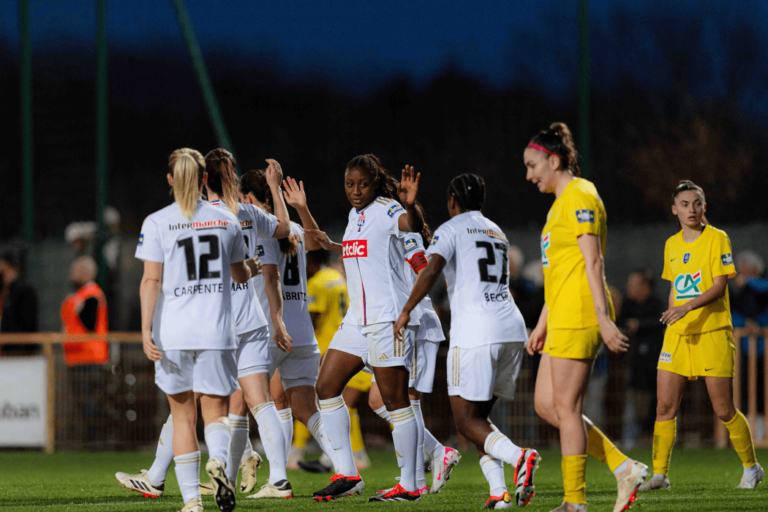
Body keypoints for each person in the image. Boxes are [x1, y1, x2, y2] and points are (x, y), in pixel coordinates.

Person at [523, 123, 647, 512]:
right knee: (547, 405)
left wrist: (604, 318)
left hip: (580, 314)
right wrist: (542, 323)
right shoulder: (557, 205)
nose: (529, 175)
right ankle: (623, 466)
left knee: (567, 409)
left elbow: (593, 262)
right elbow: (559, 273)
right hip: (559, 316)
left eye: (532, 166)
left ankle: (574, 502)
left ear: (554, 160)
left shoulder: (581, 193)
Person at [394, 173, 537, 509]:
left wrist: (406, 310)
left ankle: (521, 458)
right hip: (511, 328)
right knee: (479, 422)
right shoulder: (496, 230)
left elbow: (430, 270)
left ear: (452, 201)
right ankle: (499, 494)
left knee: (466, 422)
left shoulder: (451, 227)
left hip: (476, 331)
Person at [133, 148, 263, 512]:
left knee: (182, 417)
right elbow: (240, 275)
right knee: (215, 412)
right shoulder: (226, 221)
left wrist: (146, 329)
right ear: (206, 179)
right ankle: (219, 459)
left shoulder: (157, 222)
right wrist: (252, 267)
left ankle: (192, 502)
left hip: (173, 332)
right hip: (216, 331)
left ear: (170, 179)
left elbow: (150, 281)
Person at [306, 154, 425, 502]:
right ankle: (347, 474)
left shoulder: (388, 209)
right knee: (325, 388)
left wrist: (410, 205)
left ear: (375, 184)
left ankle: (410, 485)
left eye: (363, 184)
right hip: (356, 321)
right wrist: (335, 246)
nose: (356, 191)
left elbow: (411, 226)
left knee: (395, 401)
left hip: (386, 319)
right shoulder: (353, 215)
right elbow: (368, 254)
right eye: (349, 184)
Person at [640, 180, 763, 491]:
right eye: (684, 204)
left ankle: (752, 467)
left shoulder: (718, 238)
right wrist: (673, 315)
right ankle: (660, 475)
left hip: (713, 331)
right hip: (678, 335)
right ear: (674, 210)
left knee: (723, 409)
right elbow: (674, 287)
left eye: (696, 203)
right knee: (664, 406)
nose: (691, 209)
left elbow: (719, 286)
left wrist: (686, 308)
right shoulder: (671, 244)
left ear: (704, 207)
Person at [238, 169, 338, 498]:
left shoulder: (261, 228)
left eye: (241, 198)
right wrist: (301, 207)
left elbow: (270, 279)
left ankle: (272, 477)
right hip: (303, 334)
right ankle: (346, 470)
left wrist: (276, 320)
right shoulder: (291, 226)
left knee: (247, 403)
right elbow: (315, 239)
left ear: (249, 199)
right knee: (302, 409)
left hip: (270, 329)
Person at [369, 226, 460, 497]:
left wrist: (409, 309)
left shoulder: (405, 233)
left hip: (415, 323)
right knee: (379, 399)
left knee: (409, 399)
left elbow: (423, 269)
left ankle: (415, 481)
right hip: (392, 323)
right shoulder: (379, 232)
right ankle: (435, 452)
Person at [292, 251, 373, 473]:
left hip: (328, 349)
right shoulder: (341, 280)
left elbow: (312, 319)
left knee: (313, 401)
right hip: (354, 345)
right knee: (351, 404)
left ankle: (307, 453)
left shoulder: (317, 282)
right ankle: (354, 456)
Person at [617, 269, 665, 439]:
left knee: (662, 405)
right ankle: (629, 443)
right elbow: (620, 323)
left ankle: (665, 442)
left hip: (656, 370)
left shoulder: (658, 305)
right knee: (632, 409)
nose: (628, 287)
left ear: (645, 286)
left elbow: (661, 323)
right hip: (634, 370)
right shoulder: (628, 305)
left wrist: (640, 325)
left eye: (633, 284)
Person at [0, 251, 39, 355]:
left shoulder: (25, 291)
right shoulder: (5, 292)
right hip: (6, 351)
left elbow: (28, 323)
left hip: (21, 351)